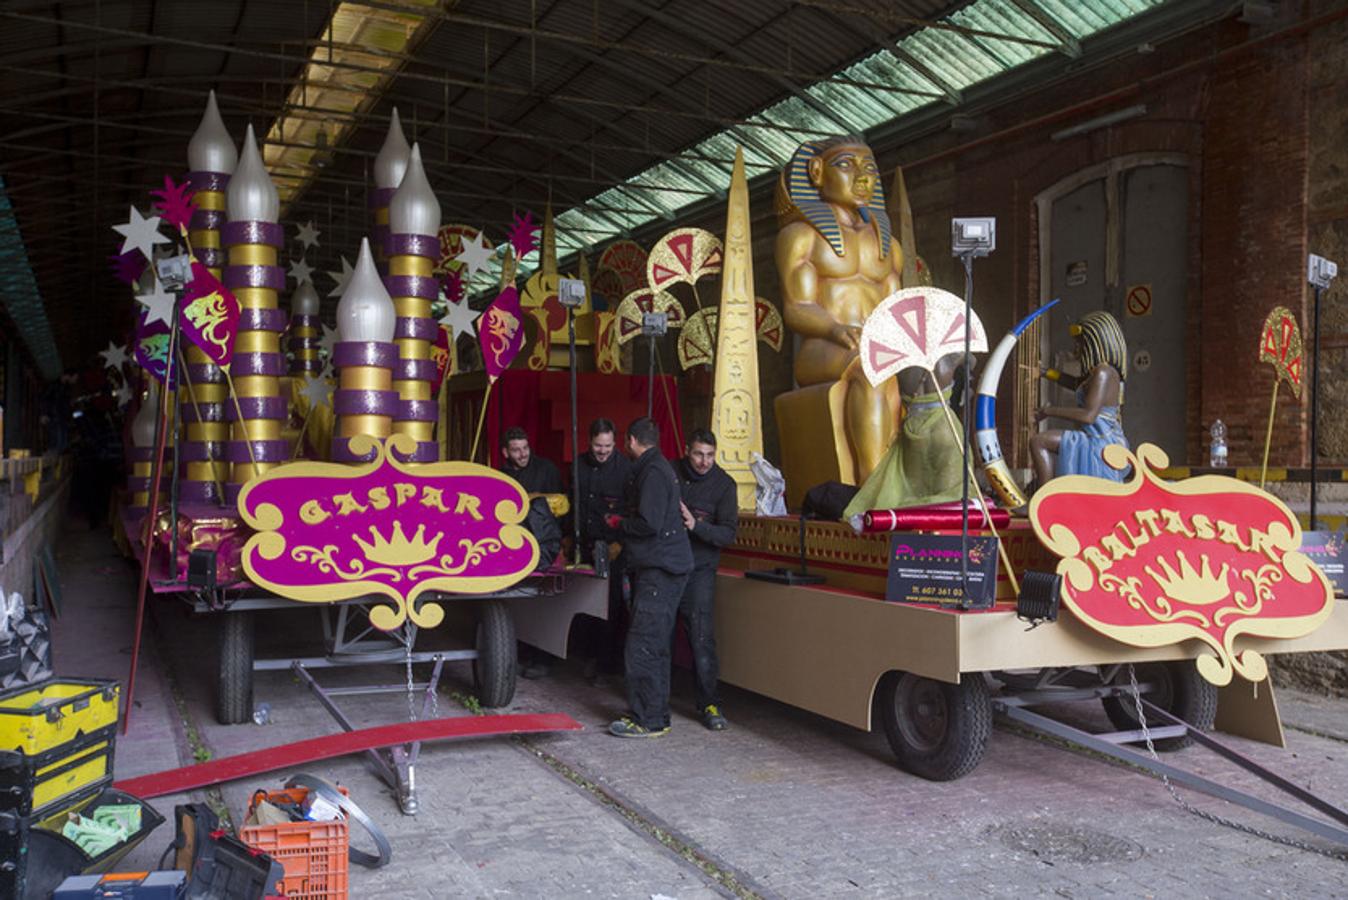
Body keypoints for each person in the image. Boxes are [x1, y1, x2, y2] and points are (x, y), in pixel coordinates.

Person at [776, 135, 908, 481]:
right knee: (870, 367)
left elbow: (894, 307)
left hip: (877, 348)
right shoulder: (801, 236)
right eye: (847, 165)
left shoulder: (889, 246)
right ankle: (872, 484)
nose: (862, 176)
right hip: (825, 348)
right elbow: (797, 306)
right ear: (817, 172)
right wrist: (835, 328)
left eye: (869, 168)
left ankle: (913, 483)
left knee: (923, 378)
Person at [607, 417, 692, 738]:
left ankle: (648, 720)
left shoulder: (653, 472)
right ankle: (654, 713)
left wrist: (618, 523)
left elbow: (649, 523)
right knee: (653, 645)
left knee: (643, 644)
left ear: (630, 440)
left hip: (662, 570)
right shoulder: (655, 467)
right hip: (661, 568)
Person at [674, 429, 737, 731]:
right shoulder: (670, 473)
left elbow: (727, 534)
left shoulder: (724, 485)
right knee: (656, 635)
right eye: (699, 454)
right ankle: (654, 700)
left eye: (710, 455)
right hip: (668, 566)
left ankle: (710, 703)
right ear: (687, 450)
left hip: (700, 570)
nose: (704, 461)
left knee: (701, 638)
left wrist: (695, 525)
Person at [1030, 311, 1130, 486]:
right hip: (1094, 437)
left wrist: (1048, 411)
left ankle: (1042, 498)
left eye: (1080, 343)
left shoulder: (1103, 372)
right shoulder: (1100, 372)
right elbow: (1076, 383)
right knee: (1041, 441)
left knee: (1039, 441)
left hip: (1099, 441)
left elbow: (1088, 415)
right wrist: (1046, 373)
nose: (1076, 348)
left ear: (1094, 343)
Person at [575, 418, 633, 675]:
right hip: (585, 543)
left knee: (611, 607)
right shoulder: (578, 464)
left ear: (615, 443)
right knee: (585, 603)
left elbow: (632, 511)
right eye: (598, 446)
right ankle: (586, 655)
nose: (602, 451)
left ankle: (605, 663)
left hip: (614, 547)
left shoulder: (626, 469)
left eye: (607, 446)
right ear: (590, 442)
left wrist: (620, 542)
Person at [499, 425, 563, 495]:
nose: (523, 454)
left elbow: (560, 502)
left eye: (525, 448)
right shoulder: (501, 477)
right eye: (516, 450)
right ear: (505, 453)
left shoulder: (547, 469)